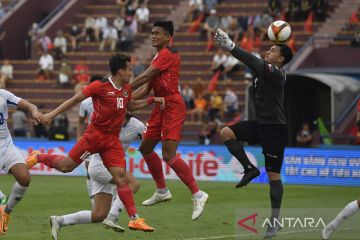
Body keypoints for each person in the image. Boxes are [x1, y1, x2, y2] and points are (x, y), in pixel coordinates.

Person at [25, 54, 164, 237]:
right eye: (130, 70)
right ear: (120, 71)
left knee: (122, 178)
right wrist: (51, 115)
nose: (132, 73)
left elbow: (131, 106)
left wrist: (152, 100)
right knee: (65, 166)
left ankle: (134, 218)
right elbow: (74, 100)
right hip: (94, 137)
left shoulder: (126, 89)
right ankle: (38, 156)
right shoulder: (100, 87)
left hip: (112, 142)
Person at [214, 28, 293, 238]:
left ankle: (274, 222)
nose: (268, 51)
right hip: (261, 124)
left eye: (273, 50)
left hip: (275, 128)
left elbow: (254, 61)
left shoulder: (278, 73)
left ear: (281, 59)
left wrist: (230, 45)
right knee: (226, 132)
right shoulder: (263, 72)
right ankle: (250, 169)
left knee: (274, 175)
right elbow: (255, 63)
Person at [130, 20, 209, 220]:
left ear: (168, 36)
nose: (153, 36)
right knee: (145, 148)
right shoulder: (158, 56)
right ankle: (162, 191)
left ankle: (198, 194)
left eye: (157, 33)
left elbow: (145, 76)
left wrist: (121, 88)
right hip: (160, 107)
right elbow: (147, 87)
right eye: (152, 33)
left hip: (172, 105)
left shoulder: (168, 54)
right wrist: (127, 97)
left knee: (168, 154)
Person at [49, 114, 145, 236]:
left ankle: (59, 220)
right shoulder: (107, 120)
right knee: (133, 184)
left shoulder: (138, 126)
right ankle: (113, 217)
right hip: (99, 165)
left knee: (99, 214)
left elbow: (147, 144)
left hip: (111, 167)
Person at [0, 89, 44, 235]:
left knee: (24, 178)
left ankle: (6, 211)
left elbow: (27, 105)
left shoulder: (2, 94)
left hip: (6, 145)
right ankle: (1, 201)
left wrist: (35, 111)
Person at [77, 75, 103, 205]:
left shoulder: (106, 99)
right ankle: (93, 201)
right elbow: (81, 121)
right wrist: (79, 137)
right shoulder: (85, 103)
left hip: (105, 141)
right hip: (90, 141)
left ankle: (111, 200)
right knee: (89, 171)